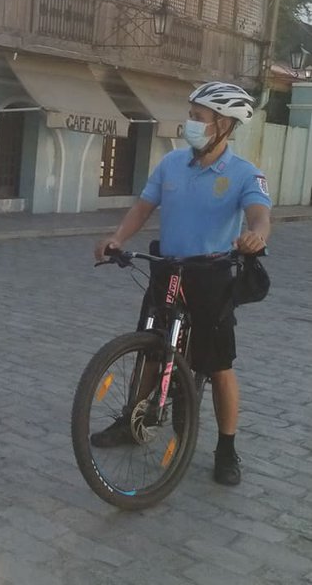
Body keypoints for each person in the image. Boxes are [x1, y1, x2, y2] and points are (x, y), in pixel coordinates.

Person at [94, 81, 271, 486]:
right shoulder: (171, 164)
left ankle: (226, 448)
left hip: (211, 276)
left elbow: (260, 214)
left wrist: (256, 235)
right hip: (166, 270)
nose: (190, 123)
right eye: (190, 115)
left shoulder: (245, 174)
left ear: (223, 125)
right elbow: (142, 208)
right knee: (151, 350)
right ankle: (132, 420)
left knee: (219, 365)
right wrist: (117, 238)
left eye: (198, 117)